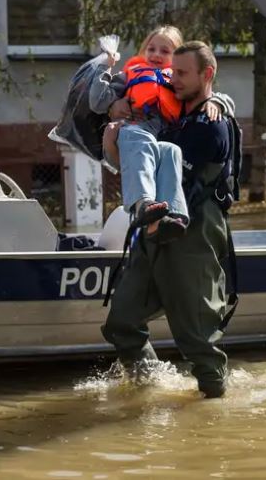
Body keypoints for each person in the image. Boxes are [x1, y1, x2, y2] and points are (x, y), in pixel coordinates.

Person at [101, 41, 237, 399]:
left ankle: (214, 409)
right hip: (152, 227)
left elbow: (180, 174)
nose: (172, 79)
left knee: (198, 338)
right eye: (171, 72)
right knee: (122, 323)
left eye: (182, 74)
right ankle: (151, 388)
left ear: (207, 75)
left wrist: (218, 102)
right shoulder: (169, 115)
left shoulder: (211, 123)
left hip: (192, 233)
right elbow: (137, 160)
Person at [90, 26, 224, 242]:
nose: (156, 55)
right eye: (151, 49)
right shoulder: (129, 75)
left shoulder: (178, 83)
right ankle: (144, 204)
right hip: (129, 132)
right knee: (140, 138)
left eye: (165, 51)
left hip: (152, 143)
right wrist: (110, 90)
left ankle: (172, 217)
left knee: (171, 150)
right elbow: (96, 101)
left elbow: (213, 93)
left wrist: (217, 102)